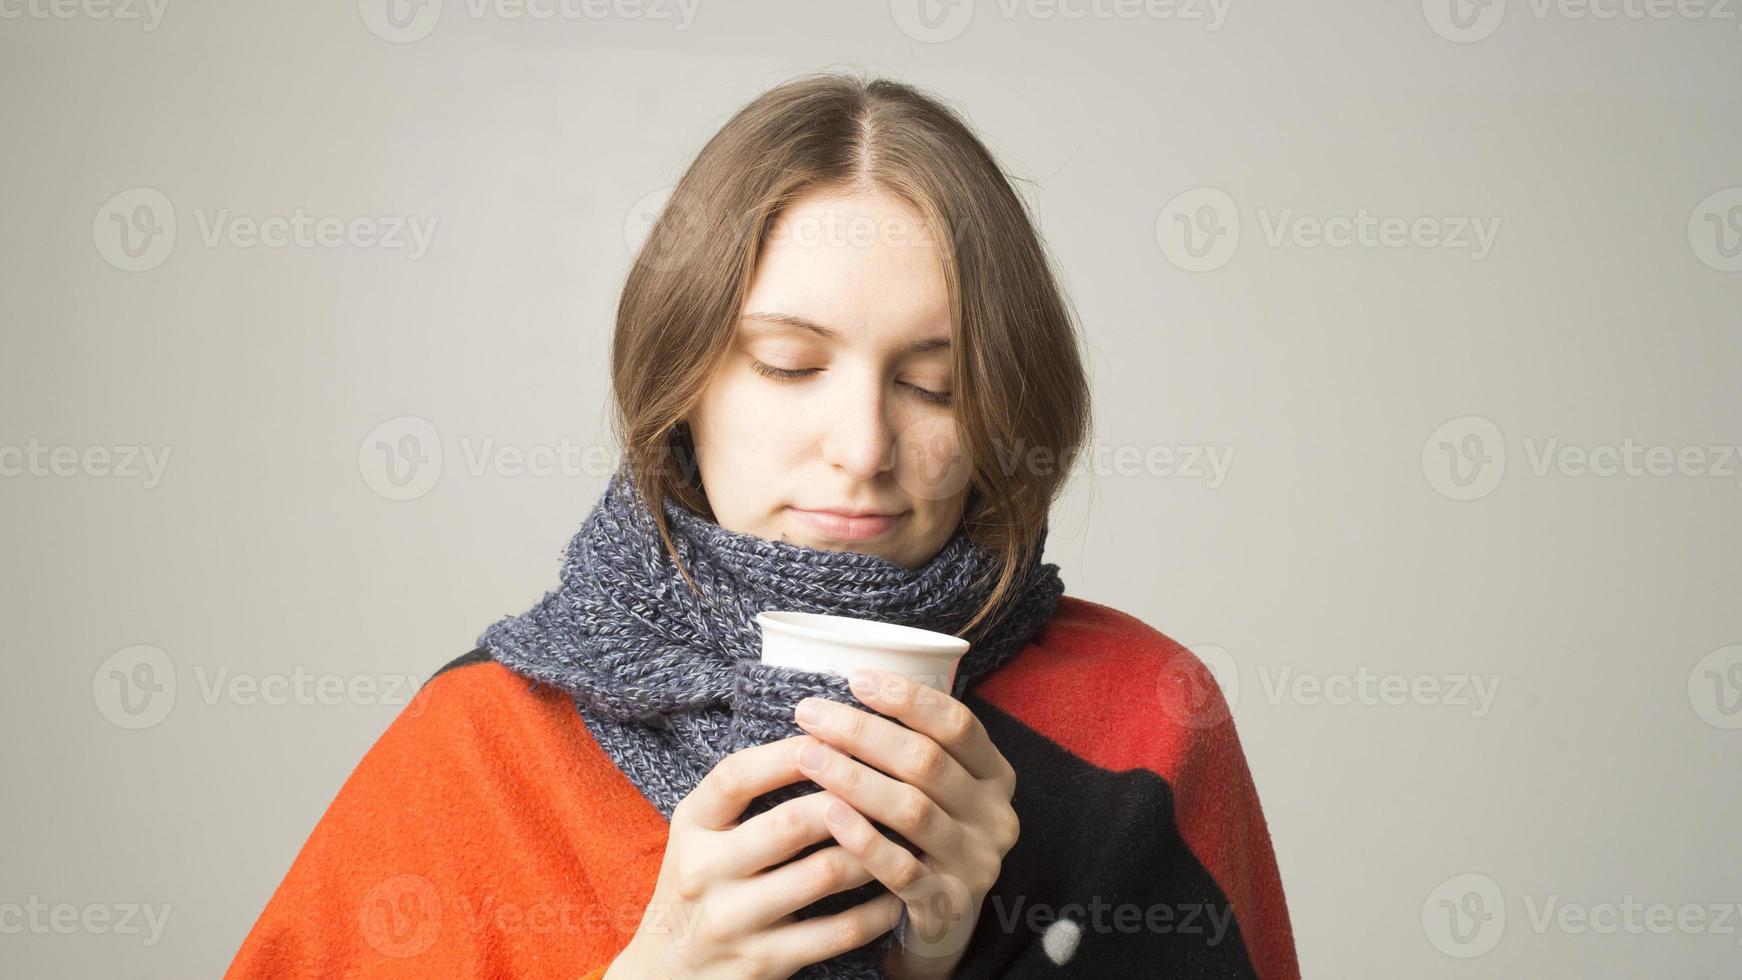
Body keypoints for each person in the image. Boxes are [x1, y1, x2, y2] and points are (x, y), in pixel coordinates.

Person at [225, 70, 1299, 979]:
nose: (861, 444)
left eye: (932, 383)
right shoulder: (482, 746)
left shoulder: (1145, 721)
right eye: (789, 365)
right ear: (683, 380)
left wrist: (948, 960)